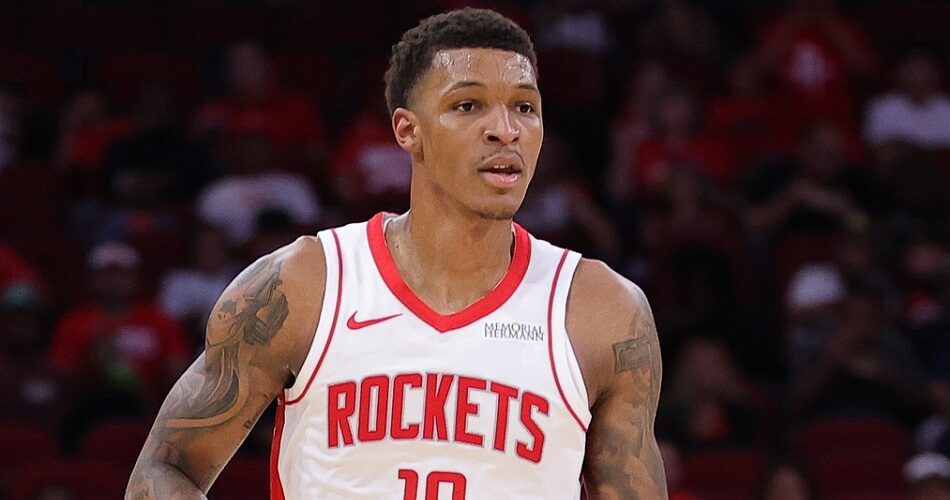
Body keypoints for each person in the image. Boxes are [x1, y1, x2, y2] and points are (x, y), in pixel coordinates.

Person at [127, 8, 667, 499]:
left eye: (525, 107)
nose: (505, 130)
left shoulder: (602, 311)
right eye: (468, 105)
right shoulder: (305, 285)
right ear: (408, 130)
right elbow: (166, 469)